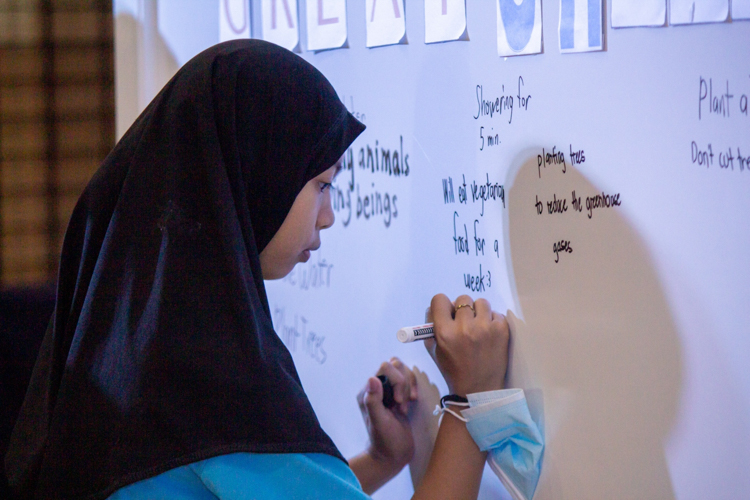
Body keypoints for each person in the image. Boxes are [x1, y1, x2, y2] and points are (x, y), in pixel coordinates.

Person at [5, 40, 516, 500]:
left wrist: (383, 460)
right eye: (321, 183)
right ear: (256, 174)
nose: (329, 215)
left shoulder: (139, 342)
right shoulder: (216, 384)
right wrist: (468, 399)